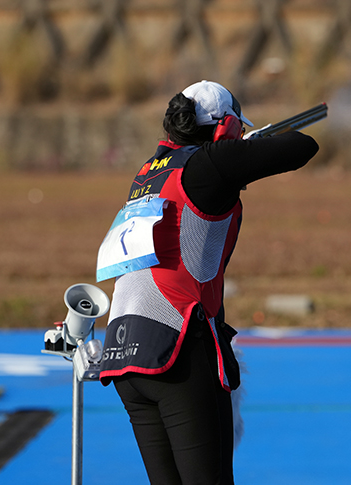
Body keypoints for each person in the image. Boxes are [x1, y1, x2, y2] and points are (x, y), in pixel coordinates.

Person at [96, 80, 319, 484]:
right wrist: (239, 147)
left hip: (126, 350)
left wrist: (236, 147)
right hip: (178, 350)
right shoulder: (207, 166)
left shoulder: (148, 171)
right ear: (222, 128)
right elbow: (302, 147)